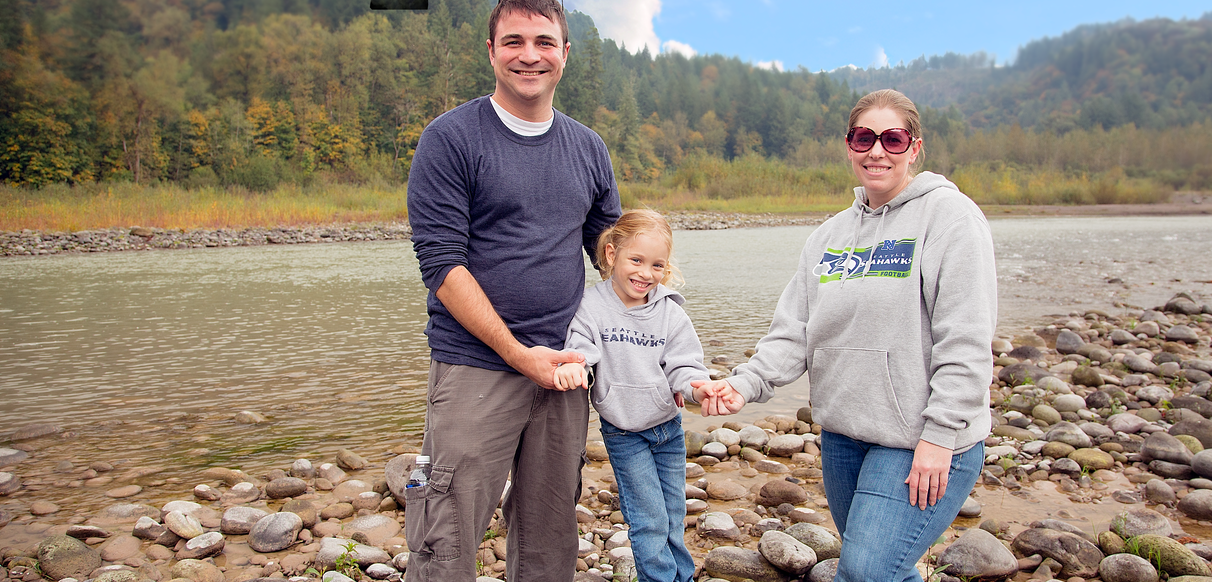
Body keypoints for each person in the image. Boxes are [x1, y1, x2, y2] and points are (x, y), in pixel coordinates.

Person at [693, 89, 997, 581]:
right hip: (843, 438)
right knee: (887, 571)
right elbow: (794, 333)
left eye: (892, 139)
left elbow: (965, 340)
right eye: (864, 137)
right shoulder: (828, 236)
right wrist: (743, 384)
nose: (876, 150)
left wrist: (940, 438)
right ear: (849, 145)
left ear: (913, 148)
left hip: (918, 439)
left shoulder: (950, 218)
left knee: (865, 571)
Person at [403, 0, 621, 579]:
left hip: (565, 368)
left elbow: (613, 260)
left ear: (565, 53)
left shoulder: (588, 148)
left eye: (545, 42)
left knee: (551, 534)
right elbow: (443, 266)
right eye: (515, 41)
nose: (531, 55)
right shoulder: (450, 140)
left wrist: (666, 352)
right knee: (444, 532)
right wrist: (518, 354)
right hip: (476, 365)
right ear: (492, 52)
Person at [553, 209, 742, 582]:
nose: (645, 273)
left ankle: (681, 576)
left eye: (657, 265)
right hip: (624, 433)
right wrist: (575, 367)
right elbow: (581, 349)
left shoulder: (670, 313)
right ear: (611, 255)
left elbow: (684, 366)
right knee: (648, 519)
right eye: (635, 260)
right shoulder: (592, 306)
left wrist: (697, 388)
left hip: (667, 429)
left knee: (672, 514)